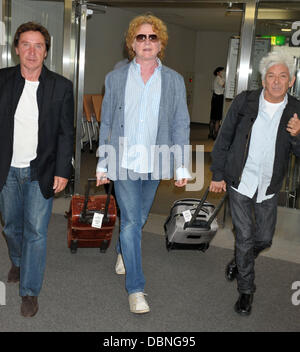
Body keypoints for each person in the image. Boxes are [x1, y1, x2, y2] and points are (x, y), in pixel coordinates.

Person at [96, 14, 190, 314]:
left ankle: (124, 249)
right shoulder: (116, 78)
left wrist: (181, 165)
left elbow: (180, 124)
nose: (146, 42)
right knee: (133, 222)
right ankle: (136, 289)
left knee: (138, 218)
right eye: (141, 37)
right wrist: (102, 163)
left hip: (156, 161)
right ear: (131, 43)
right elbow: (107, 122)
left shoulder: (173, 80)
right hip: (123, 161)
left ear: (160, 43)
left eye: (152, 37)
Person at [209, 50, 300, 316]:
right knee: (245, 237)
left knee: (264, 238)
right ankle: (246, 291)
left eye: (282, 76)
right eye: (271, 76)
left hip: (269, 186)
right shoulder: (245, 102)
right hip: (240, 181)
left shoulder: (296, 110)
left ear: (291, 80)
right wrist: (217, 174)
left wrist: (297, 136)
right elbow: (224, 138)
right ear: (263, 80)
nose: (276, 81)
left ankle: (241, 260)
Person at [0, 22, 74, 317]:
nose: (32, 51)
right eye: (26, 45)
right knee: (11, 227)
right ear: (16, 48)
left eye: (38, 45)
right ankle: (18, 260)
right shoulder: (2, 80)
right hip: (6, 171)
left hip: (39, 171)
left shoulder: (61, 86)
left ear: (46, 51)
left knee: (36, 233)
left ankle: (30, 291)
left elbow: (66, 133)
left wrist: (63, 170)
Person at [208, 66, 225, 140]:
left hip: (214, 97)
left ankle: (210, 134)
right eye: (222, 71)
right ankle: (215, 135)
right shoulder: (219, 78)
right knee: (218, 119)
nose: (223, 73)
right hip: (219, 98)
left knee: (212, 118)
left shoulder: (215, 79)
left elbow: (212, 89)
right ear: (218, 72)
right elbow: (224, 85)